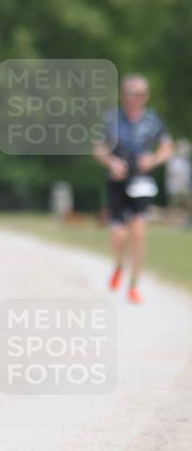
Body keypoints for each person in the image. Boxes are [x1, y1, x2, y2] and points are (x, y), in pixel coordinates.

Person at [94, 75, 173, 304]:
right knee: (119, 234)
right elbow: (98, 148)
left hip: (142, 181)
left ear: (146, 96)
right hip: (117, 181)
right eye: (129, 93)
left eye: (138, 94)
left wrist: (154, 160)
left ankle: (134, 285)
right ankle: (119, 264)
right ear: (122, 95)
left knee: (138, 232)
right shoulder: (112, 118)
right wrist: (111, 163)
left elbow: (167, 147)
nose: (133, 98)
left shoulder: (153, 120)